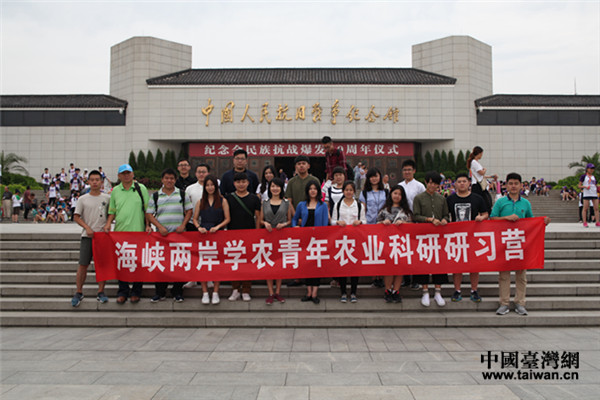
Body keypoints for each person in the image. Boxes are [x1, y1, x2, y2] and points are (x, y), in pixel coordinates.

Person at [491, 172, 551, 315]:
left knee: (521, 276)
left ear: (521, 185)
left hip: (521, 245)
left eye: (516, 183)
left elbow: (531, 222)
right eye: (510, 183)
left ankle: (520, 303)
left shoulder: (525, 203)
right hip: (504, 244)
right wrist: (506, 218)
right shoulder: (500, 202)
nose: (513, 186)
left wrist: (543, 223)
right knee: (504, 275)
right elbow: (492, 220)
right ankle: (504, 303)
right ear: (505, 185)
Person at [103, 164, 149, 304]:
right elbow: (112, 210)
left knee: (138, 263)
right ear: (119, 176)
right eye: (123, 173)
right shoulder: (116, 191)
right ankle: (122, 291)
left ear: (133, 174)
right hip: (120, 233)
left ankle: (136, 291)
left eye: (129, 173)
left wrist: (148, 225)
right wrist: (108, 224)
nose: (126, 175)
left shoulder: (141, 189)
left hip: (138, 232)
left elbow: (147, 210)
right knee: (122, 263)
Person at [145, 168, 193, 303]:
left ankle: (177, 291)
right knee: (161, 264)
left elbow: (189, 211)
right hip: (162, 237)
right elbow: (149, 213)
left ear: (175, 180)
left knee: (179, 263)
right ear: (162, 180)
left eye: (172, 178)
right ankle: (160, 292)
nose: (169, 181)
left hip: (179, 236)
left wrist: (183, 225)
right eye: (166, 178)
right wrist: (159, 227)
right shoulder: (155, 196)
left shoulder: (182, 194)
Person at [446, 173, 489, 303]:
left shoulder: (477, 198)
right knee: (457, 266)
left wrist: (481, 218)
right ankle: (457, 290)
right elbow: (445, 214)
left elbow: (486, 213)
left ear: (469, 183)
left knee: (474, 266)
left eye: (464, 181)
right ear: (455, 184)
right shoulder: (450, 199)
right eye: (459, 181)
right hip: (456, 237)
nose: (462, 183)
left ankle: (474, 290)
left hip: (473, 236)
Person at [71, 170, 111, 307]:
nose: (95, 182)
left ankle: (101, 291)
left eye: (97, 180)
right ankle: (79, 291)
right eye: (92, 180)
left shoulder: (107, 198)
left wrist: (108, 224)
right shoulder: (83, 199)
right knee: (83, 265)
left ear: (101, 182)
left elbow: (111, 214)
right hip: (87, 236)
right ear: (88, 182)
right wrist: (87, 227)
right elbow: (76, 216)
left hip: (102, 237)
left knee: (102, 265)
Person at [413, 171, 450, 307]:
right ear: (426, 183)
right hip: (423, 236)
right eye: (430, 183)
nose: (432, 186)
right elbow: (416, 216)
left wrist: (445, 220)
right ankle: (425, 291)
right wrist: (429, 219)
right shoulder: (419, 198)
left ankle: (438, 292)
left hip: (438, 237)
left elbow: (447, 215)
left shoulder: (442, 199)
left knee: (438, 264)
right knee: (424, 263)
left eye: (435, 184)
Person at [192, 175, 230, 304]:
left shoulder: (222, 200)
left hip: (217, 234)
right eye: (207, 185)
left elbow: (227, 218)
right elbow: (195, 218)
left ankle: (215, 292)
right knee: (203, 264)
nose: (210, 187)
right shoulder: (200, 201)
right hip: (204, 234)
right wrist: (198, 227)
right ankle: (204, 292)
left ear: (216, 186)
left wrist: (218, 227)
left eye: (212, 185)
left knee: (216, 265)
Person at [292, 181, 329, 304]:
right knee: (307, 265)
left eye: (315, 189)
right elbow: (294, 219)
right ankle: (308, 292)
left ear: (318, 191)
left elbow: (324, 224)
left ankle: (315, 293)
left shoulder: (322, 205)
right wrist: (295, 227)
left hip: (318, 240)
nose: (313, 191)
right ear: (307, 191)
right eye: (310, 188)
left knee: (316, 266)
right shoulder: (301, 205)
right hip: (305, 240)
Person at [226, 172, 261, 301]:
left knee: (248, 263)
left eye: (243, 182)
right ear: (234, 184)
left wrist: (257, 233)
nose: (241, 184)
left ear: (248, 183)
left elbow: (258, 217)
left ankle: (246, 289)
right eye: (238, 182)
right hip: (233, 235)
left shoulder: (254, 198)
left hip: (249, 235)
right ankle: (235, 289)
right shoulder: (228, 198)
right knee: (234, 263)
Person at [331, 181, 366, 303]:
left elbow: (364, 221)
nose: (349, 192)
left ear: (354, 191)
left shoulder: (359, 205)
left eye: (351, 190)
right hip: (342, 240)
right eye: (346, 190)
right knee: (343, 266)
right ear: (343, 191)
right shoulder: (338, 204)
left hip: (355, 239)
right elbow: (333, 220)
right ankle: (343, 292)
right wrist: (337, 222)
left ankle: (354, 292)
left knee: (354, 266)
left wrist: (360, 222)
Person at [259, 177, 292, 305]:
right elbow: (260, 220)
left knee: (279, 265)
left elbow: (290, 219)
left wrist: (284, 224)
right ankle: (270, 293)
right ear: (269, 188)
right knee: (269, 264)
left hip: (282, 236)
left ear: (281, 188)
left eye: (277, 186)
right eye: (272, 186)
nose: (275, 188)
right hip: (268, 237)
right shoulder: (265, 203)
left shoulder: (286, 203)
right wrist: (265, 223)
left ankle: (277, 292)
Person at [377, 185, 412, 303]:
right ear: (391, 194)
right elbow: (374, 227)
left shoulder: (406, 211)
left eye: (399, 194)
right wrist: (382, 223)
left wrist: (404, 223)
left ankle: (396, 291)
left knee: (399, 269)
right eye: (395, 193)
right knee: (389, 269)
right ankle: (388, 290)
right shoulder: (384, 210)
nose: (397, 196)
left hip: (401, 244)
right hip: (387, 244)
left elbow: (413, 227)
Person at [359, 167, 388, 288]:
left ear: (380, 177)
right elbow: (362, 209)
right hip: (370, 226)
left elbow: (388, 207)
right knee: (372, 251)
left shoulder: (386, 191)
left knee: (382, 251)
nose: (374, 179)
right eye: (371, 176)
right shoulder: (364, 193)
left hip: (383, 225)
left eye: (376, 176)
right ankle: (374, 277)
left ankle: (381, 276)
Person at [399, 159, 425, 290]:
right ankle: (406, 278)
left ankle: (416, 279)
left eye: (409, 170)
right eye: (405, 170)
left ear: (414, 171)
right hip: (402, 222)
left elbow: (423, 203)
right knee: (403, 250)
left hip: (416, 222)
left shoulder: (419, 186)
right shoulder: (399, 186)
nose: (407, 172)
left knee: (415, 251)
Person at [467, 146, 496, 213]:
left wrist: (491, 176)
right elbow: (481, 172)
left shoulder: (475, 162)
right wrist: (484, 169)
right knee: (484, 201)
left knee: (486, 201)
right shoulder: (474, 162)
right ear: (479, 153)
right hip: (478, 185)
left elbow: (480, 175)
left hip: (479, 184)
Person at [578, 163, 599, 227]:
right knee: (585, 208)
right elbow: (579, 186)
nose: (591, 170)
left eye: (593, 169)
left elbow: (595, 184)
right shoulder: (583, 176)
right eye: (590, 168)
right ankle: (585, 222)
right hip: (587, 194)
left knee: (596, 208)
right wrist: (585, 187)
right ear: (587, 169)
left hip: (594, 193)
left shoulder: (593, 177)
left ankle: (597, 222)